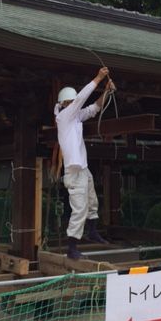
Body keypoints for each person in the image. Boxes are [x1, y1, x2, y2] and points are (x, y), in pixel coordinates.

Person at [55, 67, 115, 259]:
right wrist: (98, 78)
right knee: (79, 209)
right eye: (71, 102)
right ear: (64, 103)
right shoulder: (64, 117)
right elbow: (82, 99)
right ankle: (72, 248)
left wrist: (106, 91)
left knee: (92, 202)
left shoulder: (74, 117)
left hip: (83, 168)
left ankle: (92, 232)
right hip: (74, 171)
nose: (74, 104)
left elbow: (93, 109)